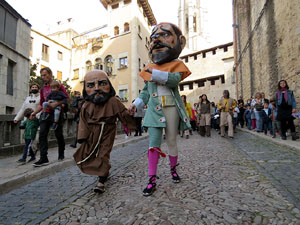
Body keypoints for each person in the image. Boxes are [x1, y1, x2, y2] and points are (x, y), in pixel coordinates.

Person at [128, 22, 191, 196]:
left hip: (171, 107)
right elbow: (146, 92)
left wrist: (152, 72)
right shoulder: (150, 68)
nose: (157, 39)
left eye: (164, 35)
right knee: (153, 144)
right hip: (154, 110)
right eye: (154, 37)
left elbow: (173, 80)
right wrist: (136, 103)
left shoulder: (176, 64)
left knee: (171, 141)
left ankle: (173, 169)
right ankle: (152, 179)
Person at [73, 70, 136, 193]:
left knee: (103, 153)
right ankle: (104, 170)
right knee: (87, 154)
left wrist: (130, 115)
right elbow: (83, 121)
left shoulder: (113, 101)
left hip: (108, 130)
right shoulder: (86, 105)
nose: (97, 88)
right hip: (92, 133)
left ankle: (101, 181)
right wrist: (82, 137)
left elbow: (123, 114)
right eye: (91, 85)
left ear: (109, 85)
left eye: (102, 84)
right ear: (85, 88)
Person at [31, 67, 69, 167]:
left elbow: (66, 98)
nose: (43, 77)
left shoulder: (58, 85)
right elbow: (41, 103)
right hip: (45, 114)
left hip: (56, 113)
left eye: (45, 75)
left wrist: (56, 104)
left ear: (50, 74)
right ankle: (44, 158)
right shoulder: (43, 88)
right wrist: (34, 113)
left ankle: (61, 154)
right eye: (42, 76)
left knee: (58, 134)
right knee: (42, 135)